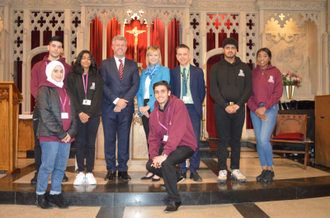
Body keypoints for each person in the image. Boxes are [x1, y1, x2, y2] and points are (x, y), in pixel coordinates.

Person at [146, 81, 197, 212]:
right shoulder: (153, 115)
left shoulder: (178, 104)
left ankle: (175, 199)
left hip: (185, 144)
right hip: (169, 146)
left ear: (169, 93)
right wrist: (154, 157)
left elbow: (177, 131)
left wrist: (164, 155)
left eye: (163, 91)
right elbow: (153, 139)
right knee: (150, 165)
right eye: (157, 92)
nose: (160, 94)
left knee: (167, 163)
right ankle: (176, 176)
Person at [35, 61, 78, 209]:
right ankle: (40, 195)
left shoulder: (67, 91)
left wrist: (70, 133)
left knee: (60, 167)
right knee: (47, 166)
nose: (59, 74)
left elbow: (74, 115)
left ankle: (55, 193)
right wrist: (61, 133)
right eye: (55, 71)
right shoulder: (44, 89)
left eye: (61, 71)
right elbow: (45, 114)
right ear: (49, 72)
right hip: (50, 136)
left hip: (66, 137)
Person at [30, 36, 72, 185]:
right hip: (42, 111)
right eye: (53, 46)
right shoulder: (37, 66)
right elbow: (34, 87)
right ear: (48, 47)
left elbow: (68, 88)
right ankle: (38, 171)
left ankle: (59, 172)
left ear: (62, 49)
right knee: (40, 143)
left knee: (61, 141)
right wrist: (44, 104)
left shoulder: (66, 68)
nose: (56, 49)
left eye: (59, 47)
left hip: (61, 111)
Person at [209, 38, 252, 183]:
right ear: (223, 50)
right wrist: (225, 106)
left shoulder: (244, 68)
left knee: (235, 139)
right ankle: (222, 169)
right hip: (221, 108)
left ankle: (235, 169)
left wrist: (238, 105)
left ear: (236, 50)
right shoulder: (215, 68)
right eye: (227, 47)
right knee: (222, 140)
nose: (230, 50)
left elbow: (248, 89)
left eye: (233, 48)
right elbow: (213, 90)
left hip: (239, 108)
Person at [100, 35, 139, 181]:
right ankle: (110, 169)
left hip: (126, 109)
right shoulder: (104, 64)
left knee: (124, 139)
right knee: (109, 140)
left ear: (126, 47)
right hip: (109, 107)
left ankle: (122, 169)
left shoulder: (132, 64)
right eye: (117, 45)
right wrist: (116, 101)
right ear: (112, 46)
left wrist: (124, 102)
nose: (120, 47)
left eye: (123, 45)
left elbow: (135, 85)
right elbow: (102, 85)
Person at [170, 44, 206, 182]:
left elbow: (202, 92)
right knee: (179, 140)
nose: (182, 57)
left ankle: (194, 170)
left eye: (185, 54)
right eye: (179, 54)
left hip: (192, 109)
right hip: (178, 110)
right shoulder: (173, 72)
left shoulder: (197, 72)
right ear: (176, 57)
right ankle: (182, 170)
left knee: (194, 140)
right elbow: (171, 93)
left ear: (189, 56)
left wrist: (196, 105)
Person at [67, 50, 103, 185]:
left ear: (92, 61)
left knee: (90, 143)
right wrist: (80, 112)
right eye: (83, 58)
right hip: (78, 114)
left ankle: (90, 171)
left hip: (93, 115)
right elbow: (70, 95)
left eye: (89, 58)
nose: (86, 60)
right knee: (80, 143)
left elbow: (98, 97)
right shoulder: (72, 76)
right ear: (79, 60)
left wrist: (89, 113)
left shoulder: (97, 76)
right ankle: (81, 172)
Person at [247, 48, 283, 183]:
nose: (262, 58)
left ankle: (270, 169)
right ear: (256, 58)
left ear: (269, 58)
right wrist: (256, 109)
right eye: (259, 56)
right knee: (259, 141)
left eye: (265, 56)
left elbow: (277, 93)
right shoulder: (252, 74)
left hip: (270, 109)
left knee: (264, 139)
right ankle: (264, 169)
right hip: (255, 110)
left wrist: (264, 108)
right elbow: (248, 95)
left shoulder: (275, 72)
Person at [137, 46, 170, 182]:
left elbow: (163, 89)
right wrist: (141, 107)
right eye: (151, 55)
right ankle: (151, 168)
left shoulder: (164, 70)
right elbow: (139, 92)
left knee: (159, 139)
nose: (153, 58)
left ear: (159, 57)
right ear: (147, 57)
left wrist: (148, 106)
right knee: (150, 139)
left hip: (157, 104)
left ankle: (159, 170)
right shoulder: (144, 72)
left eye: (156, 55)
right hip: (144, 106)